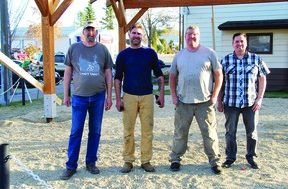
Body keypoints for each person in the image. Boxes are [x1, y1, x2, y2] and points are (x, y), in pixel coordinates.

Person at [60, 20, 113, 180]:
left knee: (95, 131)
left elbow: (109, 74)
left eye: (93, 30)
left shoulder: (103, 49)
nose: (90, 33)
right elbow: (68, 73)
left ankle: (91, 162)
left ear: (96, 32)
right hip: (79, 97)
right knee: (76, 131)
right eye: (88, 30)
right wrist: (66, 94)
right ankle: (71, 166)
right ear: (83, 32)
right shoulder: (74, 49)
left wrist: (109, 97)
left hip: (98, 96)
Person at [169, 25, 223, 175]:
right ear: (185, 36)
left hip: (204, 102)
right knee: (180, 132)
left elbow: (219, 75)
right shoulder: (179, 55)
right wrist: (173, 95)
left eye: (194, 34)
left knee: (210, 133)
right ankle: (175, 159)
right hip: (183, 102)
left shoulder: (209, 53)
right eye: (189, 34)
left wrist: (215, 96)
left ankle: (214, 161)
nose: (191, 37)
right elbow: (172, 76)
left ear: (199, 36)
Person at [114, 23, 165, 173]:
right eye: (134, 33)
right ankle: (128, 160)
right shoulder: (123, 55)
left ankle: (146, 160)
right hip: (128, 96)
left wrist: (161, 94)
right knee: (128, 130)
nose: (136, 36)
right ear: (129, 35)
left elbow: (159, 75)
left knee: (147, 130)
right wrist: (118, 99)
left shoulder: (150, 53)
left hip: (147, 96)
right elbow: (117, 78)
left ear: (143, 36)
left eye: (139, 34)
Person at [217, 33, 270, 170]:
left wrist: (259, 99)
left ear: (246, 43)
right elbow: (219, 82)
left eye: (242, 41)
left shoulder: (256, 59)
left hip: (250, 104)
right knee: (230, 132)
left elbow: (262, 79)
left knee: (251, 132)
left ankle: (251, 157)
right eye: (236, 42)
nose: (239, 44)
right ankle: (230, 158)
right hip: (230, 103)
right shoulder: (225, 60)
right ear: (232, 44)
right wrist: (219, 101)